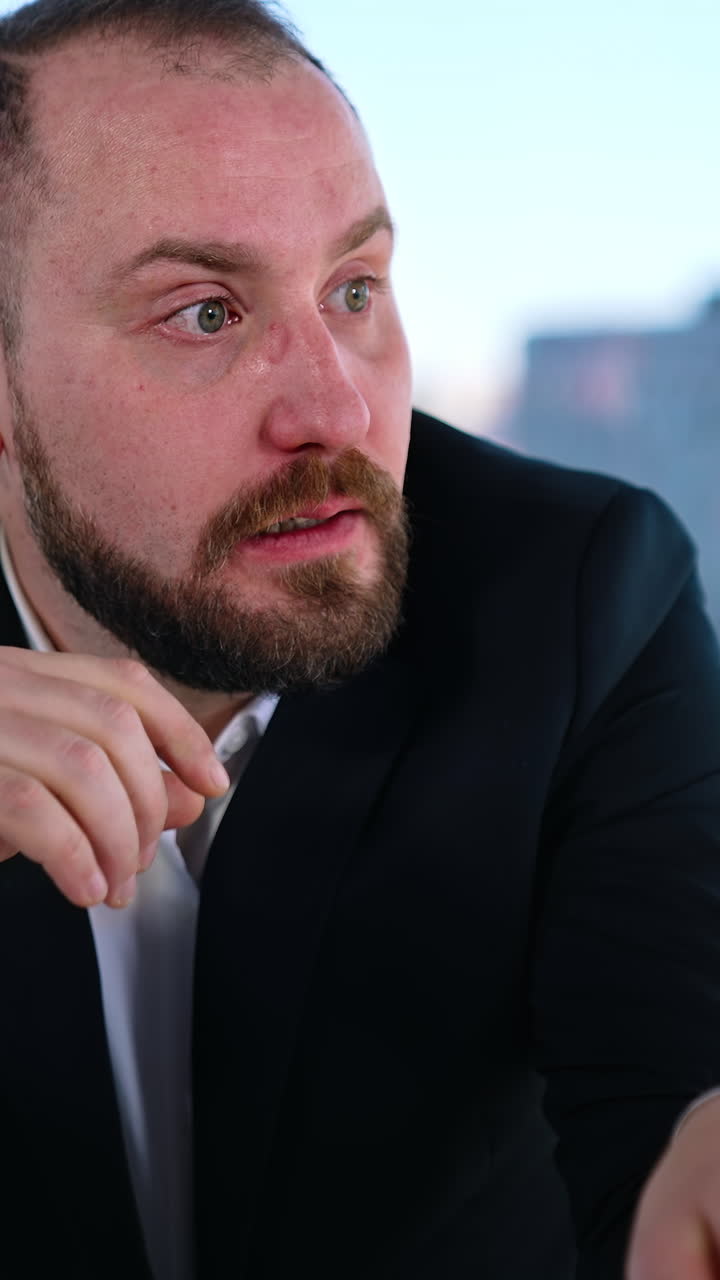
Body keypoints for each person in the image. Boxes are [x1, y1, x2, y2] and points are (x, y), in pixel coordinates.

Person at [0, 1, 719, 1277]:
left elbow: (670, 1096)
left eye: (354, 288)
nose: (337, 405)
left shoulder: (579, 594)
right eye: (205, 314)